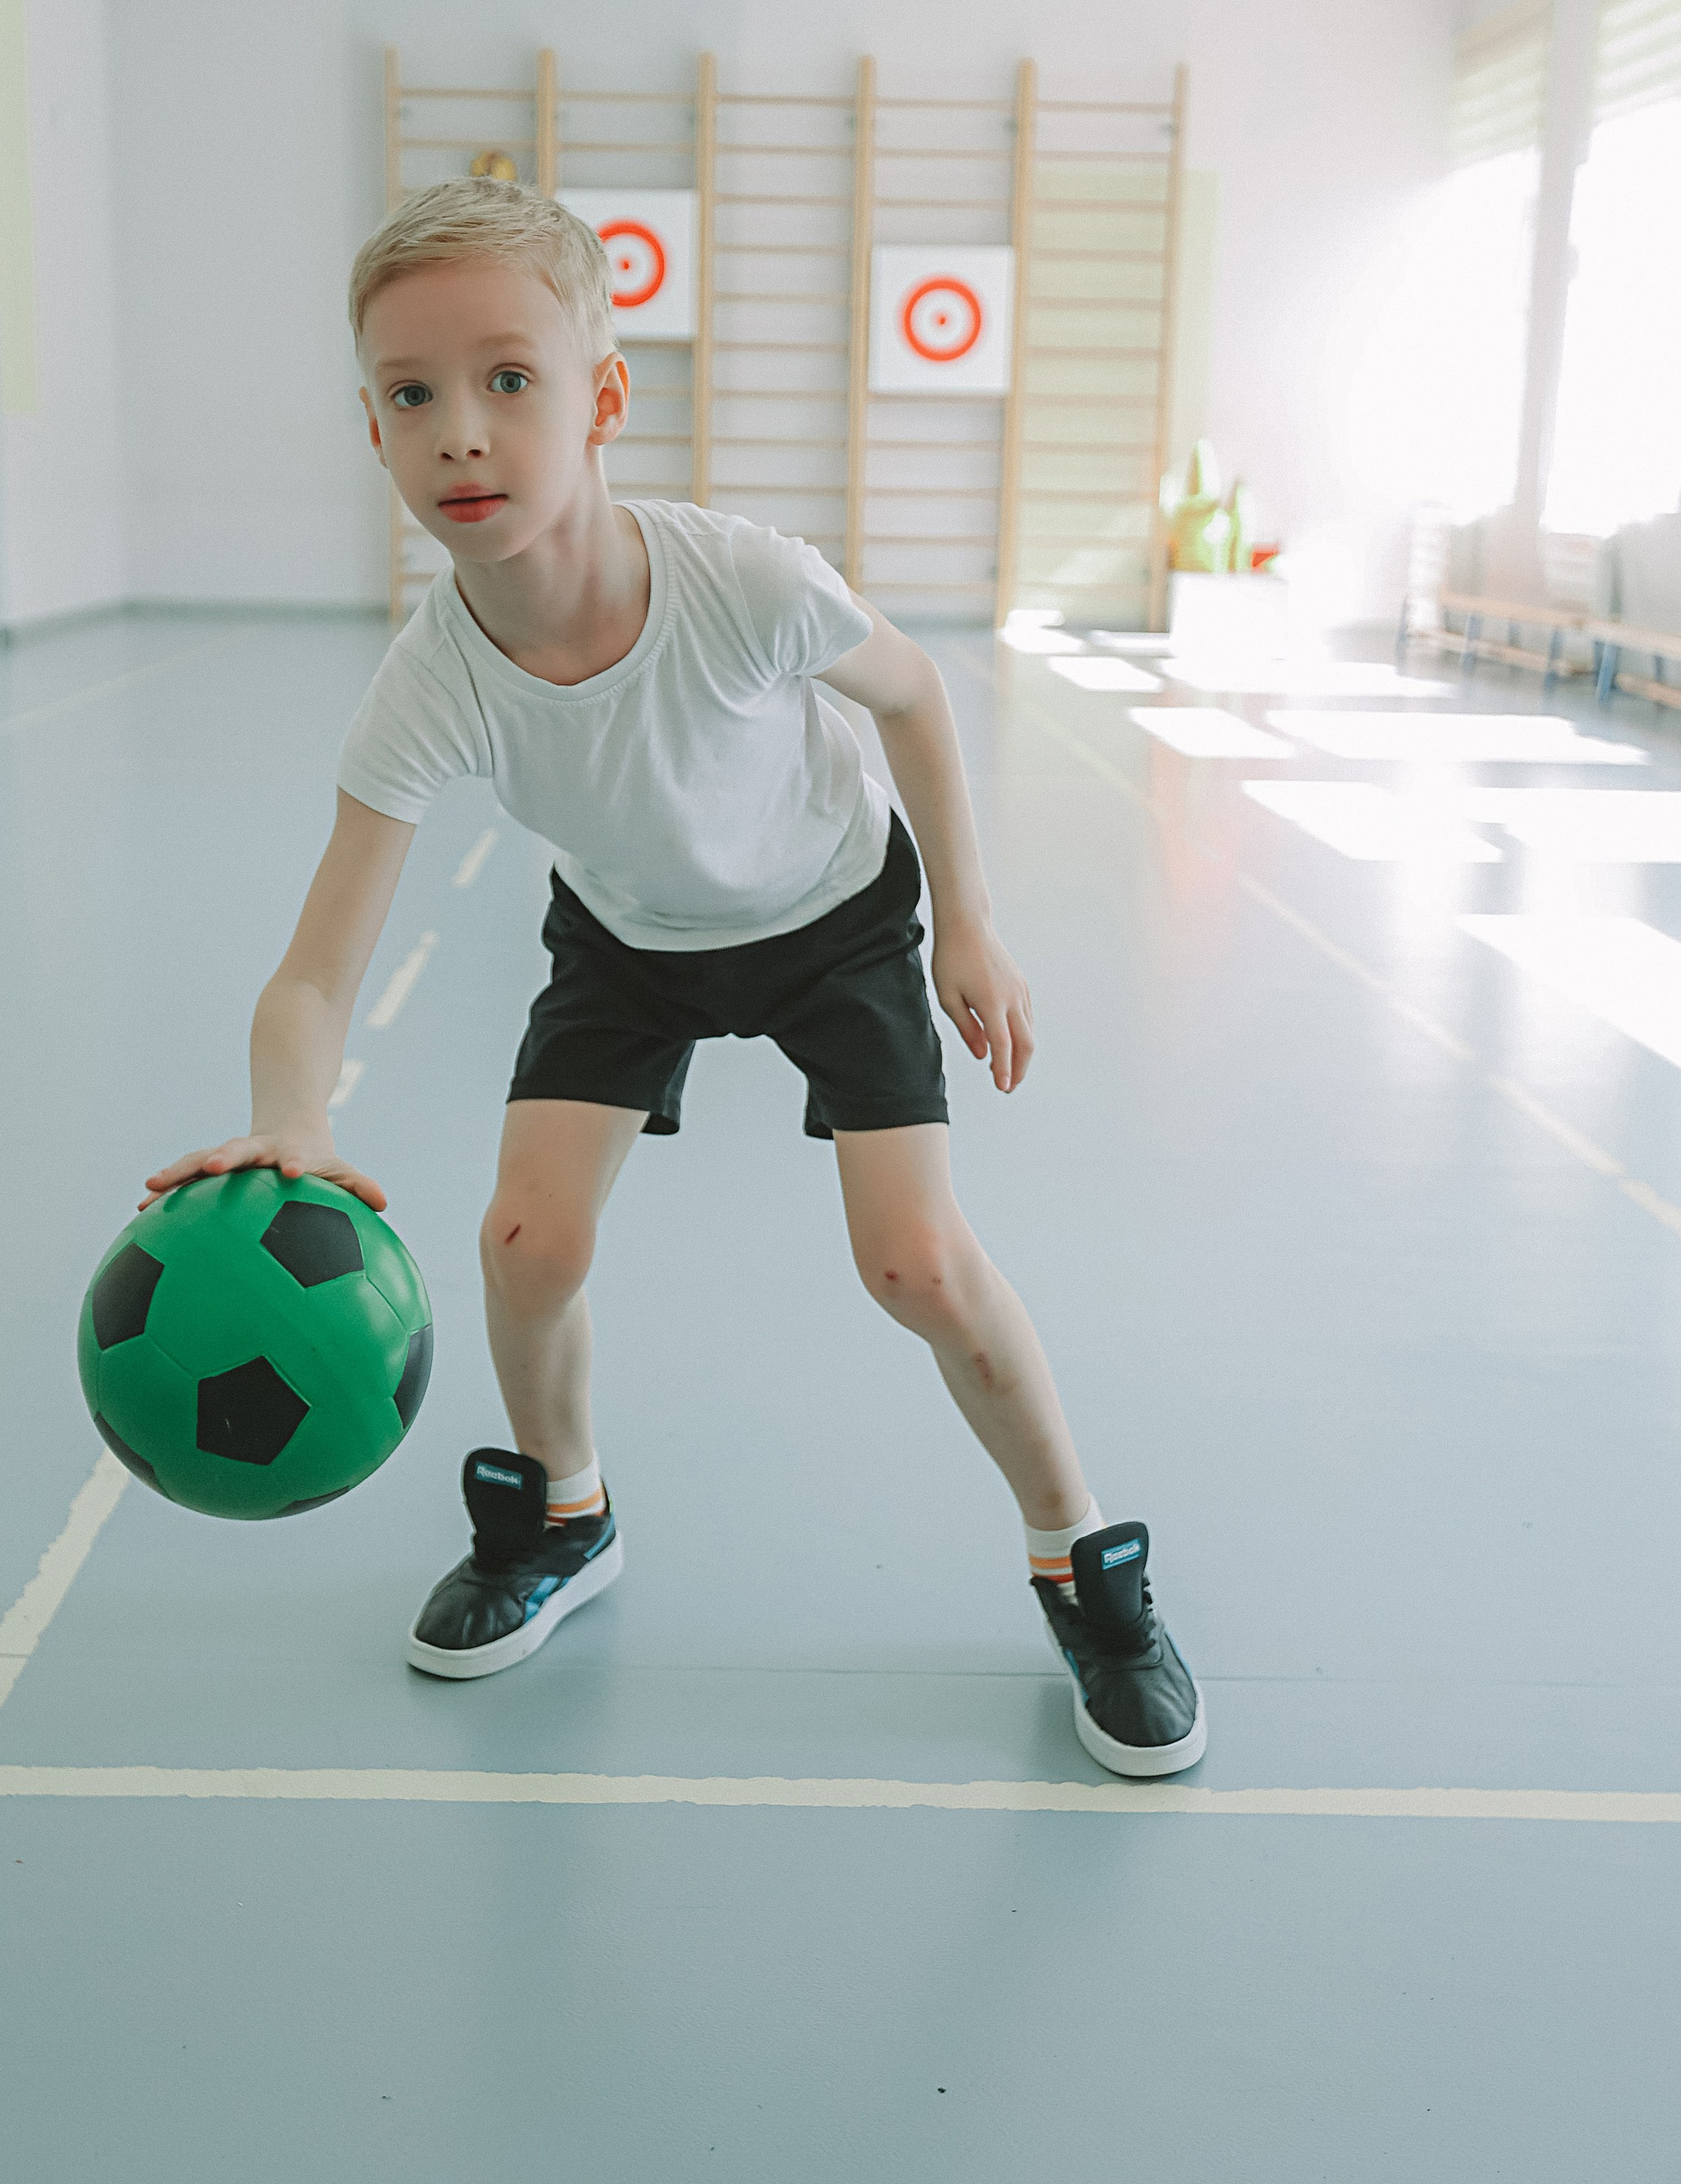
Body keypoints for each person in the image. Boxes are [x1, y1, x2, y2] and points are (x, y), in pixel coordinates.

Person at [145, 179, 1204, 1779]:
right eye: (412, 396)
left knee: (913, 1264)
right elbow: (314, 971)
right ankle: (562, 1513)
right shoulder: (432, 677)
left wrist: (970, 925)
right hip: (631, 941)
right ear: (372, 434)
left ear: (604, 398)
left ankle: (1080, 1553)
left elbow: (913, 700)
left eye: (510, 381)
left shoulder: (740, 585)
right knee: (524, 1238)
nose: (462, 434)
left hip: (834, 914)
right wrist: (288, 1125)